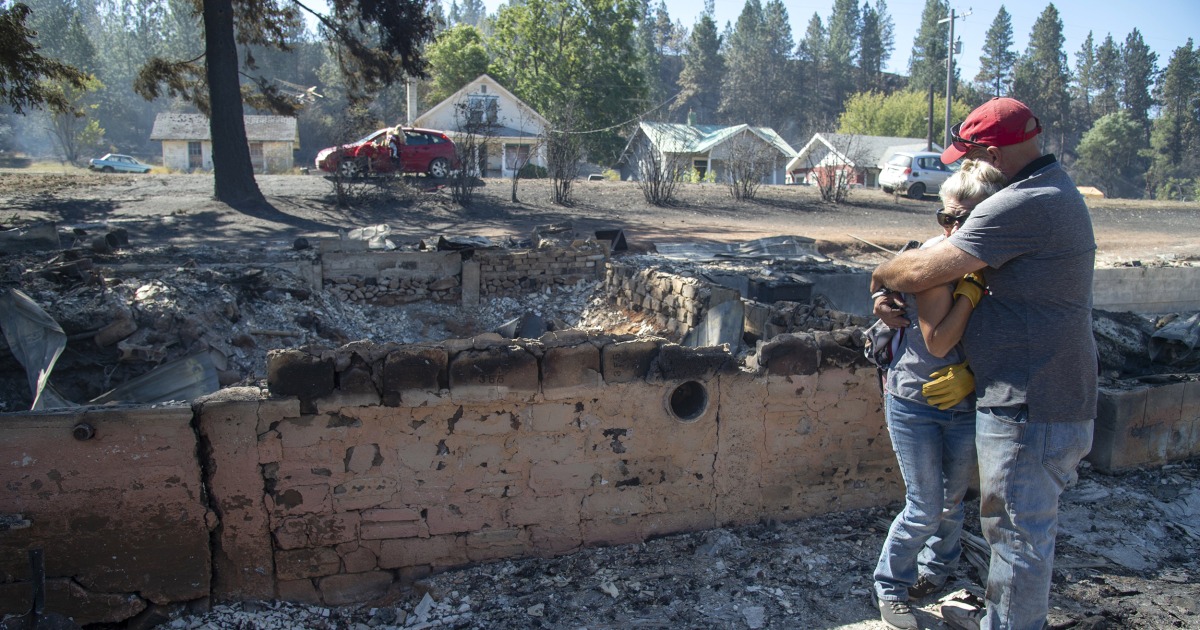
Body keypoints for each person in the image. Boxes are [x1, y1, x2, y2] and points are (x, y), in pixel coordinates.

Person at [870, 97, 1098, 630]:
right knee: (1015, 531)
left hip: (1030, 403)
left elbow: (926, 268)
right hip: (1041, 396)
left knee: (1016, 536)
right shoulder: (1051, 191)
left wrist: (880, 273)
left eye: (971, 154)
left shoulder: (1023, 203)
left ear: (992, 152)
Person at [871, 160, 1007, 630]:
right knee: (926, 503)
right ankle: (890, 585)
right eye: (945, 217)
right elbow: (936, 341)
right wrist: (968, 291)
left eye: (963, 220)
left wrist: (971, 373)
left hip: (967, 403)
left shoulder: (1005, 265)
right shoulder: (936, 258)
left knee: (951, 500)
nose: (951, 229)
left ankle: (936, 570)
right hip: (914, 400)